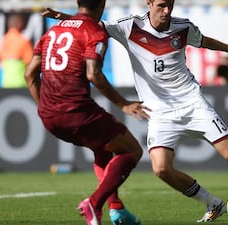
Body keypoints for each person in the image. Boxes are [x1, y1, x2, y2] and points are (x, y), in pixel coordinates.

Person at [43, 0, 228, 222]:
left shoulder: (184, 27)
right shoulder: (129, 26)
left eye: (170, 5)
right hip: (159, 112)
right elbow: (92, 25)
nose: (166, 11)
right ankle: (212, 203)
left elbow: (205, 41)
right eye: (161, 5)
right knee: (161, 169)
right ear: (149, 3)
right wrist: (66, 17)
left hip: (191, 102)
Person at [24, 0, 150, 224]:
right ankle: (93, 203)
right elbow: (94, 74)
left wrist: (45, 106)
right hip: (77, 111)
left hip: (48, 115)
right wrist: (122, 103)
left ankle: (117, 210)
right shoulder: (94, 32)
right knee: (132, 150)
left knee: (102, 150)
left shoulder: (53, 31)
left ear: (77, 2)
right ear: (102, 4)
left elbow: (29, 74)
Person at [0, 13, 33, 88]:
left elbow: (1, 62)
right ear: (19, 23)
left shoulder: (4, 40)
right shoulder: (23, 40)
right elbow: (30, 62)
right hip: (21, 81)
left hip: (6, 81)